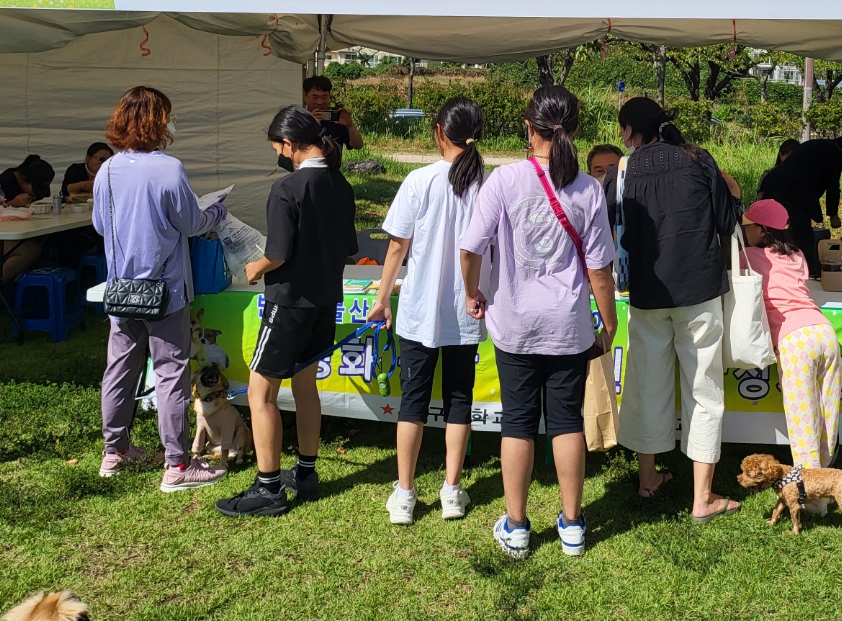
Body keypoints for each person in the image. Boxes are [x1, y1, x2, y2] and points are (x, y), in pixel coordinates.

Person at [460, 85, 618, 559]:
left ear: (529, 128)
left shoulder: (504, 180)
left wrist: (472, 292)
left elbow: (469, 249)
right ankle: (572, 525)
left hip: (514, 323)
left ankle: (516, 526)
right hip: (568, 325)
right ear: (575, 130)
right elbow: (600, 270)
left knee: (518, 422)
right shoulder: (589, 188)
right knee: (567, 422)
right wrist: (608, 324)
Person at [217, 106, 358, 518]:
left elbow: (277, 254)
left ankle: (269, 487)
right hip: (325, 300)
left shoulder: (287, 188)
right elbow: (348, 247)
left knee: (261, 393)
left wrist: (254, 268)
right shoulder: (341, 183)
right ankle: (306, 472)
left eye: (277, 148)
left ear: (290, 144)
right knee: (305, 385)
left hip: (289, 302)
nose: (278, 155)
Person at [608, 97, 742, 521]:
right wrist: (734, 193)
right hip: (699, 290)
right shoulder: (698, 159)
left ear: (630, 131)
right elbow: (727, 222)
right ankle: (702, 497)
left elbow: (611, 233)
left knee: (647, 386)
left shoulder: (620, 171)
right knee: (705, 390)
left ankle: (648, 479)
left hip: (646, 294)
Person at [94, 86, 229, 493]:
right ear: (159, 123)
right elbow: (191, 223)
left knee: (120, 369)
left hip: (122, 289)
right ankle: (177, 464)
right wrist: (217, 210)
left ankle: (114, 451)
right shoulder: (169, 169)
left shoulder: (107, 169)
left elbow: (100, 225)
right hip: (165, 290)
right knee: (171, 372)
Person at [367, 97, 487, 525]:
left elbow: (396, 247)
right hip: (466, 307)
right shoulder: (485, 184)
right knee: (459, 399)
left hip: (420, 310)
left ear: (439, 132)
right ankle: (452, 489)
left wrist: (382, 300)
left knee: (413, 402)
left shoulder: (419, 180)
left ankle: (405, 493)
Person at [740, 199, 841, 513]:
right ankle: (826, 485)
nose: (743, 231)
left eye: (747, 226)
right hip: (825, 333)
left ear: (762, 230)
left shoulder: (748, 257)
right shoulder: (797, 255)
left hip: (795, 340)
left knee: (803, 425)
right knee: (827, 418)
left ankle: (813, 501)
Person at [755, 135, 842, 277]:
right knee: (803, 236)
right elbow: (833, 186)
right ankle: (806, 273)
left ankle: (767, 265)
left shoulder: (817, 144)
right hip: (791, 192)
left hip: (774, 186)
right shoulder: (835, 153)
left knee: (769, 231)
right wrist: (833, 214)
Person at [0, 154, 55, 281]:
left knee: (43, 238)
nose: (35, 195)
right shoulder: (3, 184)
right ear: (24, 179)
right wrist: (12, 203)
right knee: (31, 250)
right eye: (35, 190)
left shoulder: (25, 184)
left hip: (6, 234)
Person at [303, 75, 364, 150]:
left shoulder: (337, 120)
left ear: (329, 96)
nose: (319, 102)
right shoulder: (298, 119)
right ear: (305, 97)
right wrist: (311, 124)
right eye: (315, 97)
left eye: (324, 97)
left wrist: (350, 126)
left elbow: (358, 145)